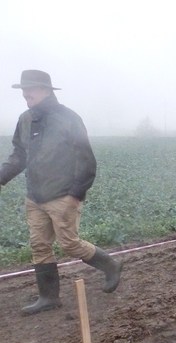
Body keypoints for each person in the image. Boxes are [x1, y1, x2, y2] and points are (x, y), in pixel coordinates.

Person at [0, 70, 122, 315]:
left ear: (46, 90)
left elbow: (86, 159)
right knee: (39, 246)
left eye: (30, 88)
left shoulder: (68, 118)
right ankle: (48, 298)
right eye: (23, 89)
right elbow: (19, 156)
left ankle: (110, 265)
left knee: (70, 244)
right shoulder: (25, 119)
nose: (25, 94)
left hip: (63, 195)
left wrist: (76, 194)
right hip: (35, 196)